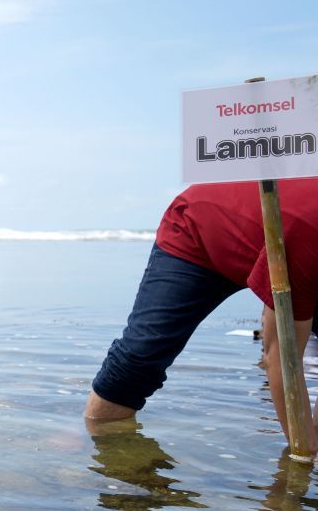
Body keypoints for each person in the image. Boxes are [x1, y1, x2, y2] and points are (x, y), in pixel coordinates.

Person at [85, 178, 318, 453]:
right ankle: (97, 439)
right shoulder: (309, 238)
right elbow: (281, 358)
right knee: (142, 355)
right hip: (197, 232)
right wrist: (305, 455)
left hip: (279, 238)